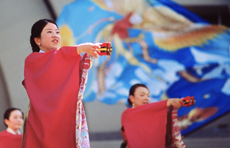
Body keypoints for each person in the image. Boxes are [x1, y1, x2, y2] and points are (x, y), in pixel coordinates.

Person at [22, 19, 101, 148]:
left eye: (57, 32)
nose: (55, 35)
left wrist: (89, 54)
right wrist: (79, 49)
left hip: (65, 116)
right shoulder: (32, 60)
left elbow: (63, 60)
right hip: (41, 120)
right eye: (49, 32)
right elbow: (56, 59)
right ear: (38, 40)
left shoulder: (63, 57)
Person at [120, 83, 186, 148]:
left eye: (148, 96)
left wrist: (174, 107)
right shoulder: (127, 114)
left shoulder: (152, 114)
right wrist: (169, 102)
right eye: (142, 95)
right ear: (132, 98)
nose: (146, 98)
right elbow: (152, 107)